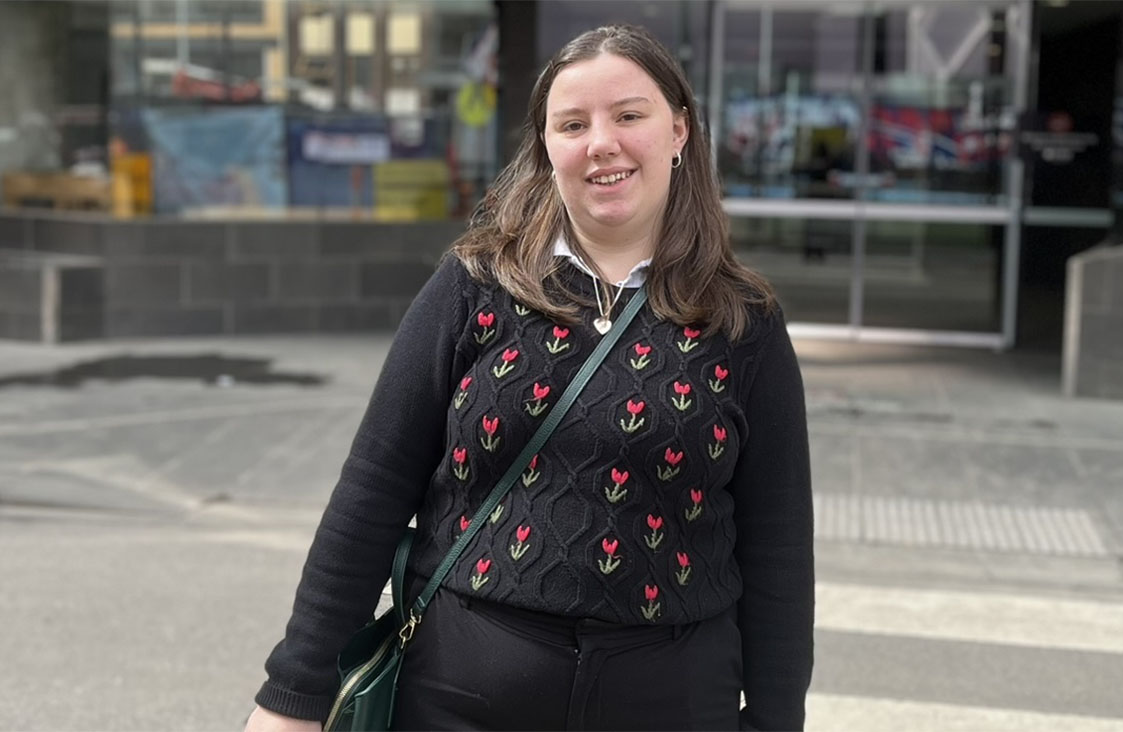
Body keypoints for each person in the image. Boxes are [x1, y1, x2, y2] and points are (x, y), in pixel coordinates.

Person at [245, 24, 813, 732]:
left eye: (628, 115)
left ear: (678, 131)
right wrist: (294, 696)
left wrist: (775, 721)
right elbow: (373, 491)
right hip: (459, 696)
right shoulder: (474, 286)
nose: (601, 143)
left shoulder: (743, 322)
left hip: (674, 701)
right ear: (546, 148)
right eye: (572, 124)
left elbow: (779, 551)